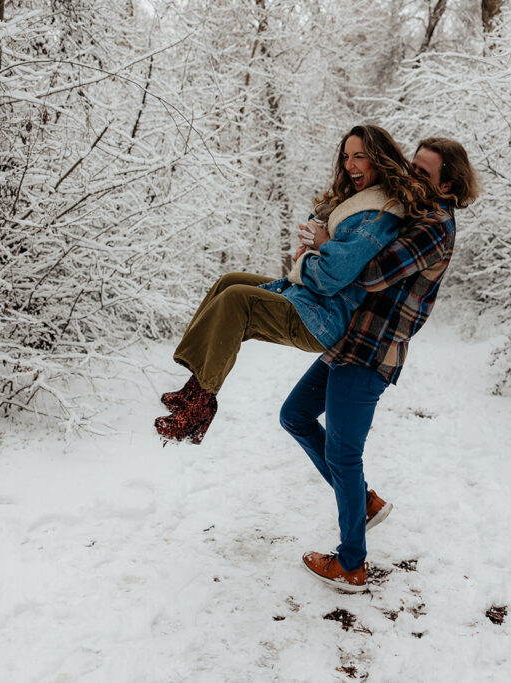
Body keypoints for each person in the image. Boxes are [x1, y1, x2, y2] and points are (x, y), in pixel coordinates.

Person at [278, 137, 482, 592]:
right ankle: (364, 503)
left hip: (373, 350)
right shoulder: (411, 210)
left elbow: (371, 273)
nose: (411, 176)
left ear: (447, 183)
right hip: (348, 341)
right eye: (412, 166)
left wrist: (331, 246)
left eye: (423, 173)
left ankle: (352, 564)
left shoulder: (435, 225)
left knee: (343, 454)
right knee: (294, 416)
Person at [154, 125, 435, 444]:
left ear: (379, 159)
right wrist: (316, 240)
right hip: (309, 297)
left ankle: (201, 406)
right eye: (346, 157)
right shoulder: (357, 201)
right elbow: (326, 247)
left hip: (325, 316)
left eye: (360, 157)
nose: (350, 165)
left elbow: (332, 276)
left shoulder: (381, 213)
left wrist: (315, 249)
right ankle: (194, 386)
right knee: (229, 282)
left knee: (237, 300)